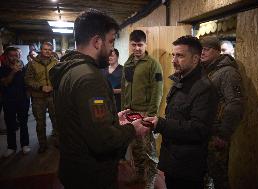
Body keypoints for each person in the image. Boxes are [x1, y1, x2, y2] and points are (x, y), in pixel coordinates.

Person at [49, 9, 150, 189]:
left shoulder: (71, 70)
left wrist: (112, 119)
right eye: (111, 41)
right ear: (97, 42)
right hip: (91, 176)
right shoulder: (90, 78)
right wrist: (131, 129)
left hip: (74, 169)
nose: (112, 48)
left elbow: (83, 119)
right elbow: (103, 140)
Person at [144, 36, 218, 189]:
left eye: (180, 55)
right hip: (174, 162)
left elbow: (199, 129)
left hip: (188, 167)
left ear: (196, 58)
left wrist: (162, 124)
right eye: (173, 55)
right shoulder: (181, 81)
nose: (173, 60)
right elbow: (177, 117)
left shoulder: (204, 88)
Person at [121, 29, 163, 188]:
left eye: (140, 45)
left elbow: (157, 91)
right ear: (130, 45)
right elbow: (125, 89)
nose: (137, 48)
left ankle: (150, 182)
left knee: (149, 151)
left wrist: (151, 115)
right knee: (136, 149)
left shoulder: (153, 64)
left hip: (145, 113)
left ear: (146, 44)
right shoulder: (128, 63)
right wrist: (124, 112)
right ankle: (139, 176)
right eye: (134, 45)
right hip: (130, 114)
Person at [200, 36, 244, 189]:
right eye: (200, 49)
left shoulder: (227, 73)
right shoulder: (208, 71)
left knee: (219, 176)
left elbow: (235, 104)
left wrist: (224, 134)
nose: (202, 53)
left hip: (217, 135)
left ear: (217, 51)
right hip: (205, 132)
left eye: (206, 49)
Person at [25, 42, 58, 153]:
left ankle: (58, 141)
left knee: (56, 120)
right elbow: (28, 79)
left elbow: (60, 76)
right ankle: (42, 144)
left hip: (53, 96)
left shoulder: (56, 62)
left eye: (49, 49)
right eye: (45, 49)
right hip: (38, 97)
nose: (47, 51)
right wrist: (40, 87)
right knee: (40, 122)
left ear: (52, 50)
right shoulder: (33, 63)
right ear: (41, 50)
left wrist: (53, 86)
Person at [0, 47, 30, 157]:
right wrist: (13, 71)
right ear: (7, 56)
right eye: (11, 55)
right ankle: (11, 147)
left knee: (23, 123)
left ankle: (25, 145)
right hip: (9, 101)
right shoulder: (3, 69)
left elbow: (27, 82)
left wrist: (28, 95)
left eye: (16, 55)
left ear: (19, 55)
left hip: (23, 100)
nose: (14, 57)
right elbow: (5, 83)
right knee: (10, 124)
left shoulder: (24, 68)